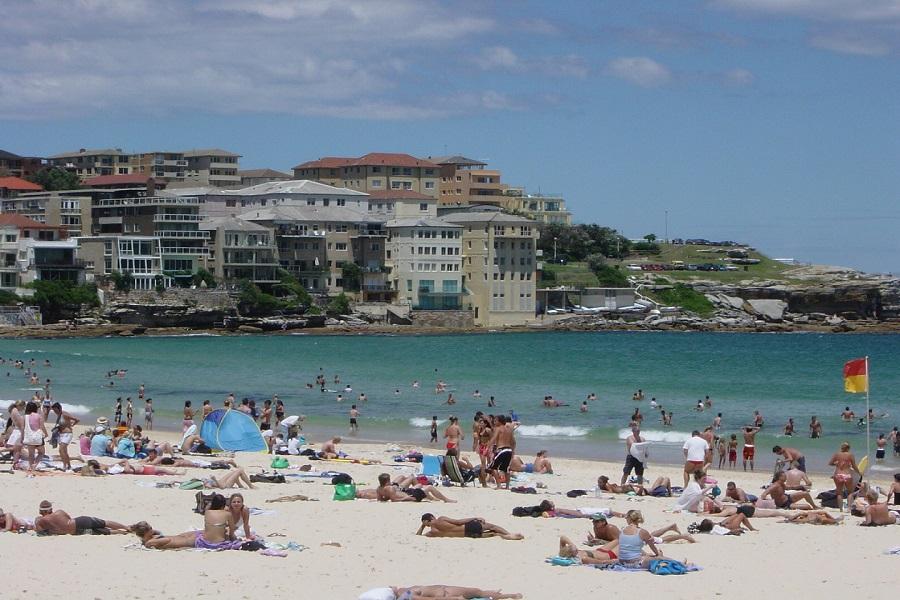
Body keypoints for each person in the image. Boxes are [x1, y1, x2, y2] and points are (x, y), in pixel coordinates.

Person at [34, 500, 129, 535]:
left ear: (41, 511)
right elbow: (69, 518)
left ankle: (122, 532)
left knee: (101, 531)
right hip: (79, 522)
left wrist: (36, 522)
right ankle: (127, 528)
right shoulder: (59, 512)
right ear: (50, 509)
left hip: (77, 532)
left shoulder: (41, 520)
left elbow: (40, 533)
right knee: (104, 523)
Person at [417, 514, 523, 540]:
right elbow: (458, 522)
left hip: (467, 535)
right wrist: (474, 518)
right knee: (493, 526)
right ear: (431, 517)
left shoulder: (431, 533)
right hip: (467, 528)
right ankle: (509, 535)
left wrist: (422, 526)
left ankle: (505, 536)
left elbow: (418, 536)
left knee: (493, 534)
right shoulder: (441, 519)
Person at [376, 473, 456, 503]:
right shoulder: (390, 488)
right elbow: (394, 500)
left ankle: (431, 498)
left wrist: (388, 497)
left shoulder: (379, 489)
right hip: (411, 495)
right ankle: (446, 500)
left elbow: (380, 499)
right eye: (389, 480)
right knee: (430, 487)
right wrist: (408, 498)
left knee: (421, 487)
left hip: (409, 493)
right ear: (387, 482)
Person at [828, 441, 861, 509]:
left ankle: (840, 509)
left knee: (839, 493)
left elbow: (830, 463)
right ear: (848, 448)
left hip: (838, 475)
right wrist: (859, 472)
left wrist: (836, 464)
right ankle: (849, 508)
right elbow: (854, 466)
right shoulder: (850, 455)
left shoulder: (837, 454)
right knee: (850, 492)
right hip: (847, 475)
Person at [487, 414, 515, 490]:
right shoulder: (509, 430)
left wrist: (488, 447)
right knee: (506, 469)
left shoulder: (498, 428)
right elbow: (513, 442)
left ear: (500, 421)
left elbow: (493, 438)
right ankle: (507, 486)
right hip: (509, 450)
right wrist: (513, 451)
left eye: (496, 420)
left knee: (493, 467)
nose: (494, 422)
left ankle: (499, 485)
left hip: (501, 450)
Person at [130, 521, 199, 550]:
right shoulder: (149, 542)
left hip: (180, 537)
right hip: (186, 541)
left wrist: (156, 534)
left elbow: (161, 534)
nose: (153, 529)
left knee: (198, 532)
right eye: (150, 528)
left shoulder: (150, 538)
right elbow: (167, 540)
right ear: (146, 532)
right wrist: (157, 536)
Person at [22, 401, 47, 477]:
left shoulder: (24, 417)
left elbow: (23, 428)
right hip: (37, 437)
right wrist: (46, 434)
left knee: (31, 454)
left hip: (29, 437)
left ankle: (30, 469)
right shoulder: (38, 416)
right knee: (41, 452)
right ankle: (34, 465)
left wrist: (22, 437)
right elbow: (41, 426)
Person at [385, 586, 522, 600]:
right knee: (478, 592)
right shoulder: (406, 594)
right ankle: (509, 595)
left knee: (478, 592)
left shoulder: (403, 592)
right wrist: (454, 598)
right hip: (445, 592)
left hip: (445, 591)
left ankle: (503, 595)